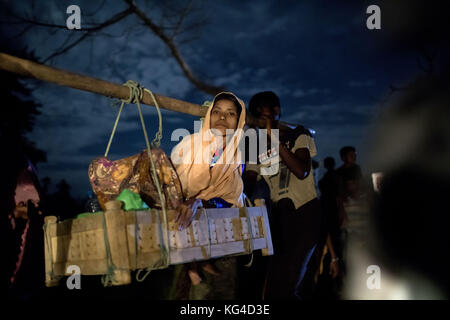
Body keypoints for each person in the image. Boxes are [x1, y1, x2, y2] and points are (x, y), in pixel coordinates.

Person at [244, 91, 322, 300]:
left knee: (287, 286)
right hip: (281, 220)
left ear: (277, 112)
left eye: (265, 116)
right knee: (273, 289)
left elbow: (301, 170)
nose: (261, 122)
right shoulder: (255, 144)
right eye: (257, 117)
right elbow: (250, 178)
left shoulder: (298, 134)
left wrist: (275, 140)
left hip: (306, 215)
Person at [170, 92, 246, 299]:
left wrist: (201, 201)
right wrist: (185, 199)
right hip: (180, 218)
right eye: (217, 111)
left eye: (230, 113)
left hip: (217, 229)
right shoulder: (190, 144)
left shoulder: (236, 156)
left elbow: (232, 196)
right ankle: (192, 266)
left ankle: (199, 264)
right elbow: (170, 181)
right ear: (209, 116)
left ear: (238, 121)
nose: (222, 118)